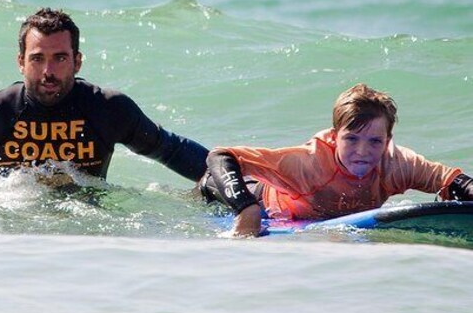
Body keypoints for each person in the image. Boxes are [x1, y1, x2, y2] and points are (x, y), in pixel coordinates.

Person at [0, 8, 209, 185]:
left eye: (60, 58)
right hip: (11, 228)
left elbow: (172, 150)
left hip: (90, 228)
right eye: (37, 58)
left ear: (77, 61)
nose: (48, 71)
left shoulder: (108, 109)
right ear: (20, 62)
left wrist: (226, 174)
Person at [200, 83, 473, 236]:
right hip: (251, 193)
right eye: (351, 139)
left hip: (314, 213)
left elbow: (455, 181)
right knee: (195, 174)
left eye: (375, 141)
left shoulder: (398, 163)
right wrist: (246, 210)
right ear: (334, 136)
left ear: (388, 141)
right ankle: (159, 143)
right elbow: (221, 157)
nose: (363, 152)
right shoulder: (308, 163)